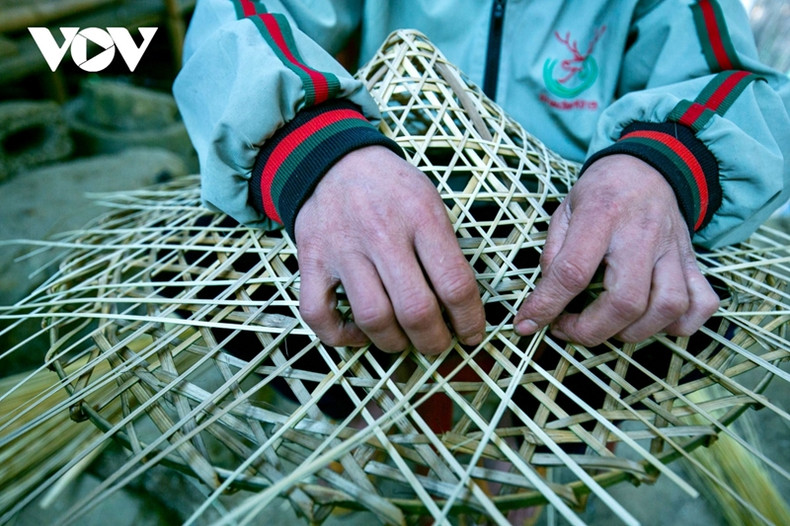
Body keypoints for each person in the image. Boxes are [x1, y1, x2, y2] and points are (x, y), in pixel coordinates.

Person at [173, 0, 790, 355]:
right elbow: (241, 22)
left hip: (558, 246)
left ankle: (521, 476)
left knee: (652, 323)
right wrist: (314, 152)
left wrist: (662, 166)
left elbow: (731, 82)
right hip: (358, 200)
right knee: (257, 302)